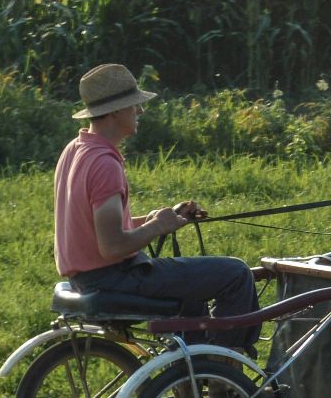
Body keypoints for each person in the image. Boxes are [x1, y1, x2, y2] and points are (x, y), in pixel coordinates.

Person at [54, 63, 259, 355]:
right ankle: (224, 372)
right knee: (237, 273)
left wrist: (154, 219)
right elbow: (112, 246)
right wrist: (157, 227)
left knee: (193, 298)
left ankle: (190, 375)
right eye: (134, 105)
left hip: (88, 277)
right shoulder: (104, 164)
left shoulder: (76, 149)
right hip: (113, 277)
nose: (140, 112)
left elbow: (96, 228)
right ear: (115, 111)